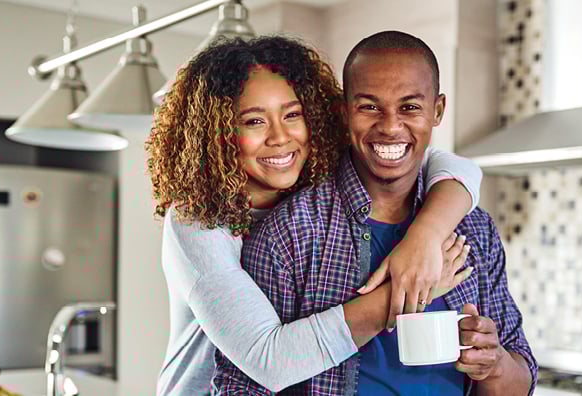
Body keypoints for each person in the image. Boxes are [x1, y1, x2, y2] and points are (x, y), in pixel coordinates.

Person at [146, 35, 484, 395]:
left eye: (292, 115)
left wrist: (425, 237)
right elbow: (271, 361)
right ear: (217, 134)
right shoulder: (197, 223)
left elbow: (452, 166)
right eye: (254, 121)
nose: (280, 137)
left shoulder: (310, 175)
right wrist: (412, 286)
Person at [214, 31, 538, 395]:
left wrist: (492, 364)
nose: (390, 126)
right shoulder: (290, 233)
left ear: (438, 111)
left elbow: (519, 375)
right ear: (343, 111)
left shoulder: (473, 230)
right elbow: (242, 385)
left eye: (410, 107)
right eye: (369, 106)